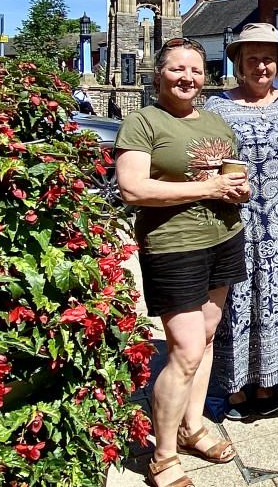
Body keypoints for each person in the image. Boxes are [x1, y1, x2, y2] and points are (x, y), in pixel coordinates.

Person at [115, 37, 251, 487]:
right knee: (186, 351)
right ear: (159, 74)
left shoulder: (214, 121)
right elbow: (133, 189)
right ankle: (164, 456)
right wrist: (208, 190)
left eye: (195, 70)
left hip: (225, 238)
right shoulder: (142, 122)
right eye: (177, 69)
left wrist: (236, 189)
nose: (188, 78)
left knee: (207, 338)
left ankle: (193, 426)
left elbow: (229, 175)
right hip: (174, 246)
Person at [204, 23, 278, 420]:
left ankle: (268, 382)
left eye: (268, 58)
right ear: (238, 63)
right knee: (235, 301)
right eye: (252, 58)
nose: (261, 66)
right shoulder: (215, 108)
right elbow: (202, 163)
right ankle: (234, 387)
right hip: (234, 224)